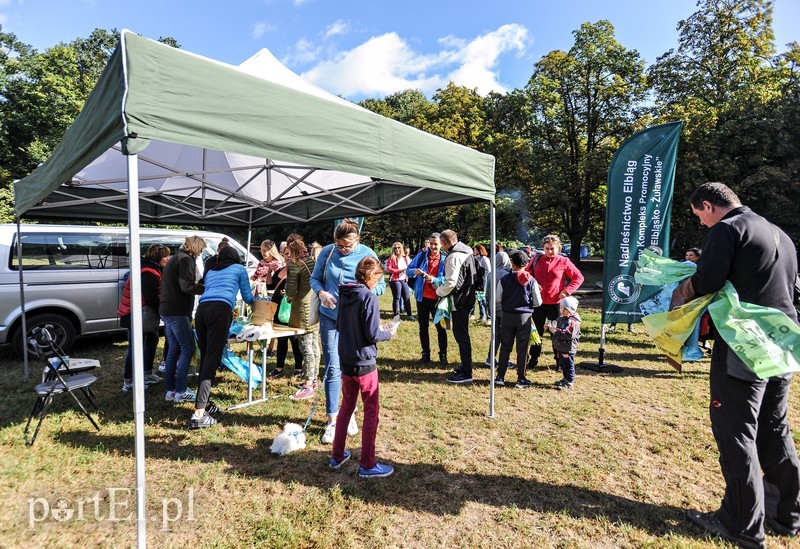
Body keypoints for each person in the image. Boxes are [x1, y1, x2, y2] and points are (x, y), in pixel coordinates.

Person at [673, 182, 800, 548]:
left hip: (745, 345)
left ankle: (741, 524)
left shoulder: (727, 229)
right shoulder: (780, 234)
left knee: (736, 430)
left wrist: (682, 290)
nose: (703, 224)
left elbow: (709, 279)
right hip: (782, 344)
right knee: (774, 427)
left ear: (709, 206)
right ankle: (786, 515)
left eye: (700, 217)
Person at [310, 219, 385, 444]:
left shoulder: (367, 253)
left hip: (354, 322)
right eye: (339, 245)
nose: (343, 250)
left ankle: (349, 412)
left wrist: (363, 292)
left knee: (353, 369)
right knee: (333, 366)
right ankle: (333, 419)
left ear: (357, 240)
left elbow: (380, 285)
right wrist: (322, 293)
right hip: (330, 317)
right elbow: (315, 279)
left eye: (347, 246)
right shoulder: (327, 253)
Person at [329, 257, 398, 478]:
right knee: (371, 412)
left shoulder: (345, 294)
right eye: (379, 277)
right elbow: (372, 334)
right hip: (364, 363)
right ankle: (367, 464)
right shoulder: (368, 298)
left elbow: (342, 324)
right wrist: (389, 332)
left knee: (346, 407)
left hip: (346, 360)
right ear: (370, 276)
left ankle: (337, 455)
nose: (380, 282)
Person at [191, 246, 254, 428]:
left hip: (202, 311)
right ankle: (199, 413)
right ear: (235, 257)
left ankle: (206, 404)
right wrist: (258, 304)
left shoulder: (211, 270)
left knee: (206, 358)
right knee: (212, 359)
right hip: (221, 310)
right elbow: (248, 296)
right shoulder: (239, 269)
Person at [525, 235, 584, 371]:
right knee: (536, 332)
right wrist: (533, 284)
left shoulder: (564, 261)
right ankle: (534, 358)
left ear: (558, 248)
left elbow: (578, 277)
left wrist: (566, 291)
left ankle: (559, 360)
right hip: (538, 303)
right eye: (547, 249)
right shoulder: (536, 259)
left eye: (552, 249)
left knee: (557, 333)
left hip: (556, 304)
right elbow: (527, 275)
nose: (549, 251)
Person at [119, 244, 170, 393]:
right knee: (136, 348)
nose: (168, 258)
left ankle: (147, 373)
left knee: (153, 340)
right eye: (165, 256)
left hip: (142, 313)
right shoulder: (148, 272)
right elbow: (151, 298)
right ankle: (129, 381)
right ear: (157, 257)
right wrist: (163, 311)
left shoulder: (151, 269)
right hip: (136, 314)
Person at [160, 235, 205, 403]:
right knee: (188, 349)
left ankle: (170, 390)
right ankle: (181, 390)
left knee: (174, 349)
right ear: (195, 247)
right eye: (200, 249)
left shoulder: (176, 258)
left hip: (167, 308)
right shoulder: (186, 260)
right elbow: (186, 286)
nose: (201, 253)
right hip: (177, 311)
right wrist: (204, 288)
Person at [493, 250, 541, 388]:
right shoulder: (532, 281)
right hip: (524, 317)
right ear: (526, 264)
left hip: (507, 316)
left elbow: (497, 298)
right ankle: (521, 378)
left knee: (505, 347)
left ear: (512, 264)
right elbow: (538, 302)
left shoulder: (504, 279)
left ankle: (500, 376)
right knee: (522, 349)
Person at [437, 229, 478, 384]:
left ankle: (467, 371)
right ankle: (465, 365)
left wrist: (438, 291)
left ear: (445, 242)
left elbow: (451, 282)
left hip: (460, 300)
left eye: (441, 243)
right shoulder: (467, 251)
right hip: (467, 298)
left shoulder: (454, 256)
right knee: (462, 334)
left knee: (461, 335)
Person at [284, 236, 321, 401]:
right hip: (315, 305)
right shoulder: (313, 262)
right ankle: (314, 379)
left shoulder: (295, 265)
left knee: (306, 346)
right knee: (314, 344)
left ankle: (307, 383)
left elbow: (291, 290)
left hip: (302, 309)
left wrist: (288, 297)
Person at [407, 232, 448, 365]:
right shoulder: (422, 256)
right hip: (422, 298)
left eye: (436, 244)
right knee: (423, 328)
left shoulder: (445, 259)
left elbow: (448, 279)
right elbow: (408, 270)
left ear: (441, 244)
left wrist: (435, 279)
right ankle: (426, 355)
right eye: (431, 244)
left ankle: (443, 355)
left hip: (438, 299)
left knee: (441, 328)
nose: (433, 247)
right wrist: (415, 272)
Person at [266, 241, 304, 377]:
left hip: (290, 310)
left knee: (294, 340)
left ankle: (299, 369)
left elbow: (301, 290)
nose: (287, 256)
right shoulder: (279, 270)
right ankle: (279, 368)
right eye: (285, 254)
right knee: (280, 340)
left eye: (289, 254)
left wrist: (288, 294)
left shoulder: (297, 271)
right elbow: (269, 287)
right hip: (277, 309)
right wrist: (270, 271)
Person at [546, 296, 581, 390]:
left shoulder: (573, 322)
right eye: (561, 308)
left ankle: (569, 382)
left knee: (568, 365)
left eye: (565, 309)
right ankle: (565, 378)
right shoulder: (561, 318)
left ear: (571, 309)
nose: (562, 310)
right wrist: (549, 326)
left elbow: (568, 334)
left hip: (568, 348)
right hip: (561, 347)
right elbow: (555, 324)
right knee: (563, 364)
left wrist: (555, 331)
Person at [484, 250, 512, 367]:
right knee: (506, 334)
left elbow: (487, 293)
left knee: (495, 334)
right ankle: (503, 360)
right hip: (505, 308)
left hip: (493, 307)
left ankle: (490, 357)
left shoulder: (491, 274)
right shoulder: (508, 274)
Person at [386, 241, 414, 320]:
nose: (397, 249)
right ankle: (396, 315)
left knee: (407, 297)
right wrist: (399, 271)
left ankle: (409, 315)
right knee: (397, 298)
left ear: (401, 248)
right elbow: (389, 268)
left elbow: (410, 266)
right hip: (395, 280)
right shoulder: (391, 258)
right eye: (395, 248)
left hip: (404, 280)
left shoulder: (405, 258)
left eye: (398, 248)